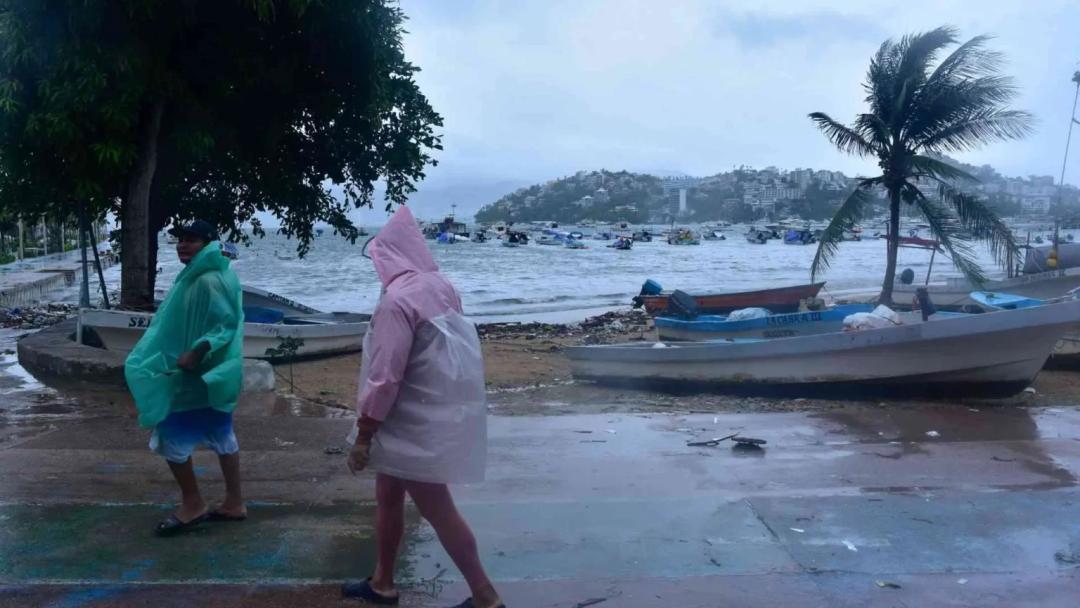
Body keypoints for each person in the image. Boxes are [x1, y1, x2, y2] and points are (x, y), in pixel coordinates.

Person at [343, 206, 504, 608]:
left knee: (437, 507)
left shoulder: (396, 301)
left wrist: (364, 433)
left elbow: (385, 376)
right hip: (430, 411)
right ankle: (382, 582)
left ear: (387, 257)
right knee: (388, 495)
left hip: (406, 420)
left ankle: (485, 595)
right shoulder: (442, 286)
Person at [124, 220, 246, 537]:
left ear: (208, 244)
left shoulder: (208, 279)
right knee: (221, 434)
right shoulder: (209, 274)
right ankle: (234, 502)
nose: (182, 245)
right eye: (180, 240)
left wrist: (195, 352)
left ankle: (193, 503)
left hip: (196, 374)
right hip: (212, 376)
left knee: (170, 436)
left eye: (191, 240)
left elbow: (224, 324)